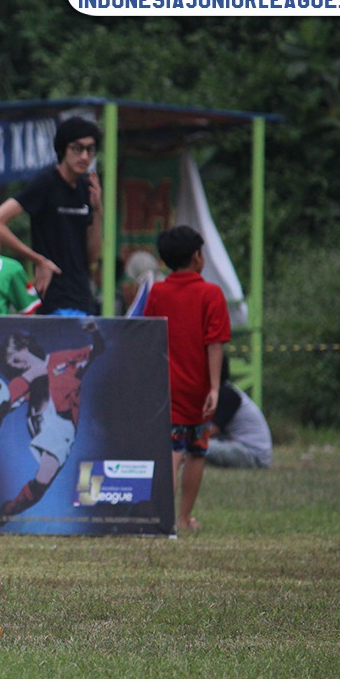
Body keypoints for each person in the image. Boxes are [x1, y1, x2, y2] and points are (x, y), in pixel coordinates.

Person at [143, 226, 231, 533]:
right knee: (196, 451)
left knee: (172, 450)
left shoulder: (157, 293)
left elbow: (149, 338)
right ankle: (183, 517)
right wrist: (216, 388)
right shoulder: (211, 294)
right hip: (199, 388)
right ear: (197, 257)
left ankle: (165, 520)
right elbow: (215, 343)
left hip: (166, 388)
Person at [0, 322, 103, 516]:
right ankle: (6, 512)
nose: (17, 366)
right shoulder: (22, 380)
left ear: (24, 348)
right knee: (31, 378)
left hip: (61, 428)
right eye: (12, 365)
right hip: (40, 422)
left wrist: (96, 332)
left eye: (15, 360)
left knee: (41, 483)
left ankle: (7, 511)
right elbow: (9, 401)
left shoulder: (64, 359)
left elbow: (98, 349)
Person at [0, 117, 104, 316]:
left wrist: (97, 210)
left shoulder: (86, 188)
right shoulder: (45, 182)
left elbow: (93, 256)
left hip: (83, 298)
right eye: (77, 148)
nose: (85, 156)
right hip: (53, 298)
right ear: (62, 149)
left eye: (90, 150)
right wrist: (37, 260)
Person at [207, 359, 273, 469]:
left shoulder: (227, 394)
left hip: (252, 455)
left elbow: (210, 431)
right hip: (237, 447)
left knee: (195, 446)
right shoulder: (220, 392)